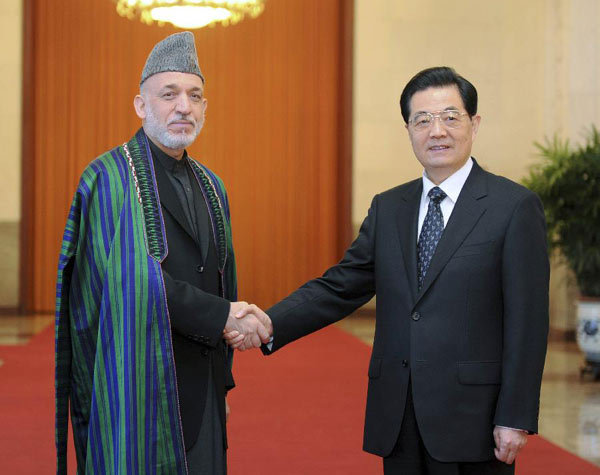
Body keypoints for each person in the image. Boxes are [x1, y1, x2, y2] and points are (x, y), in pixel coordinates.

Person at [227, 66, 549, 474]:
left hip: (474, 418)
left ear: (475, 123)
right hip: (398, 415)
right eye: (423, 120)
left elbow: (529, 321)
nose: (437, 131)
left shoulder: (512, 207)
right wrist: (270, 322)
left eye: (451, 117)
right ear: (409, 129)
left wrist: (515, 415)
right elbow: (340, 286)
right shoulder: (389, 207)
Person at [55, 31, 269, 474]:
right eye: (169, 94)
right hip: (135, 387)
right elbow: (129, 282)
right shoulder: (108, 180)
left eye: (194, 95)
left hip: (203, 392)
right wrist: (223, 315)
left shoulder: (213, 186)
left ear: (205, 107)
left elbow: (222, 278)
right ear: (141, 104)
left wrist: (222, 387)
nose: (183, 107)